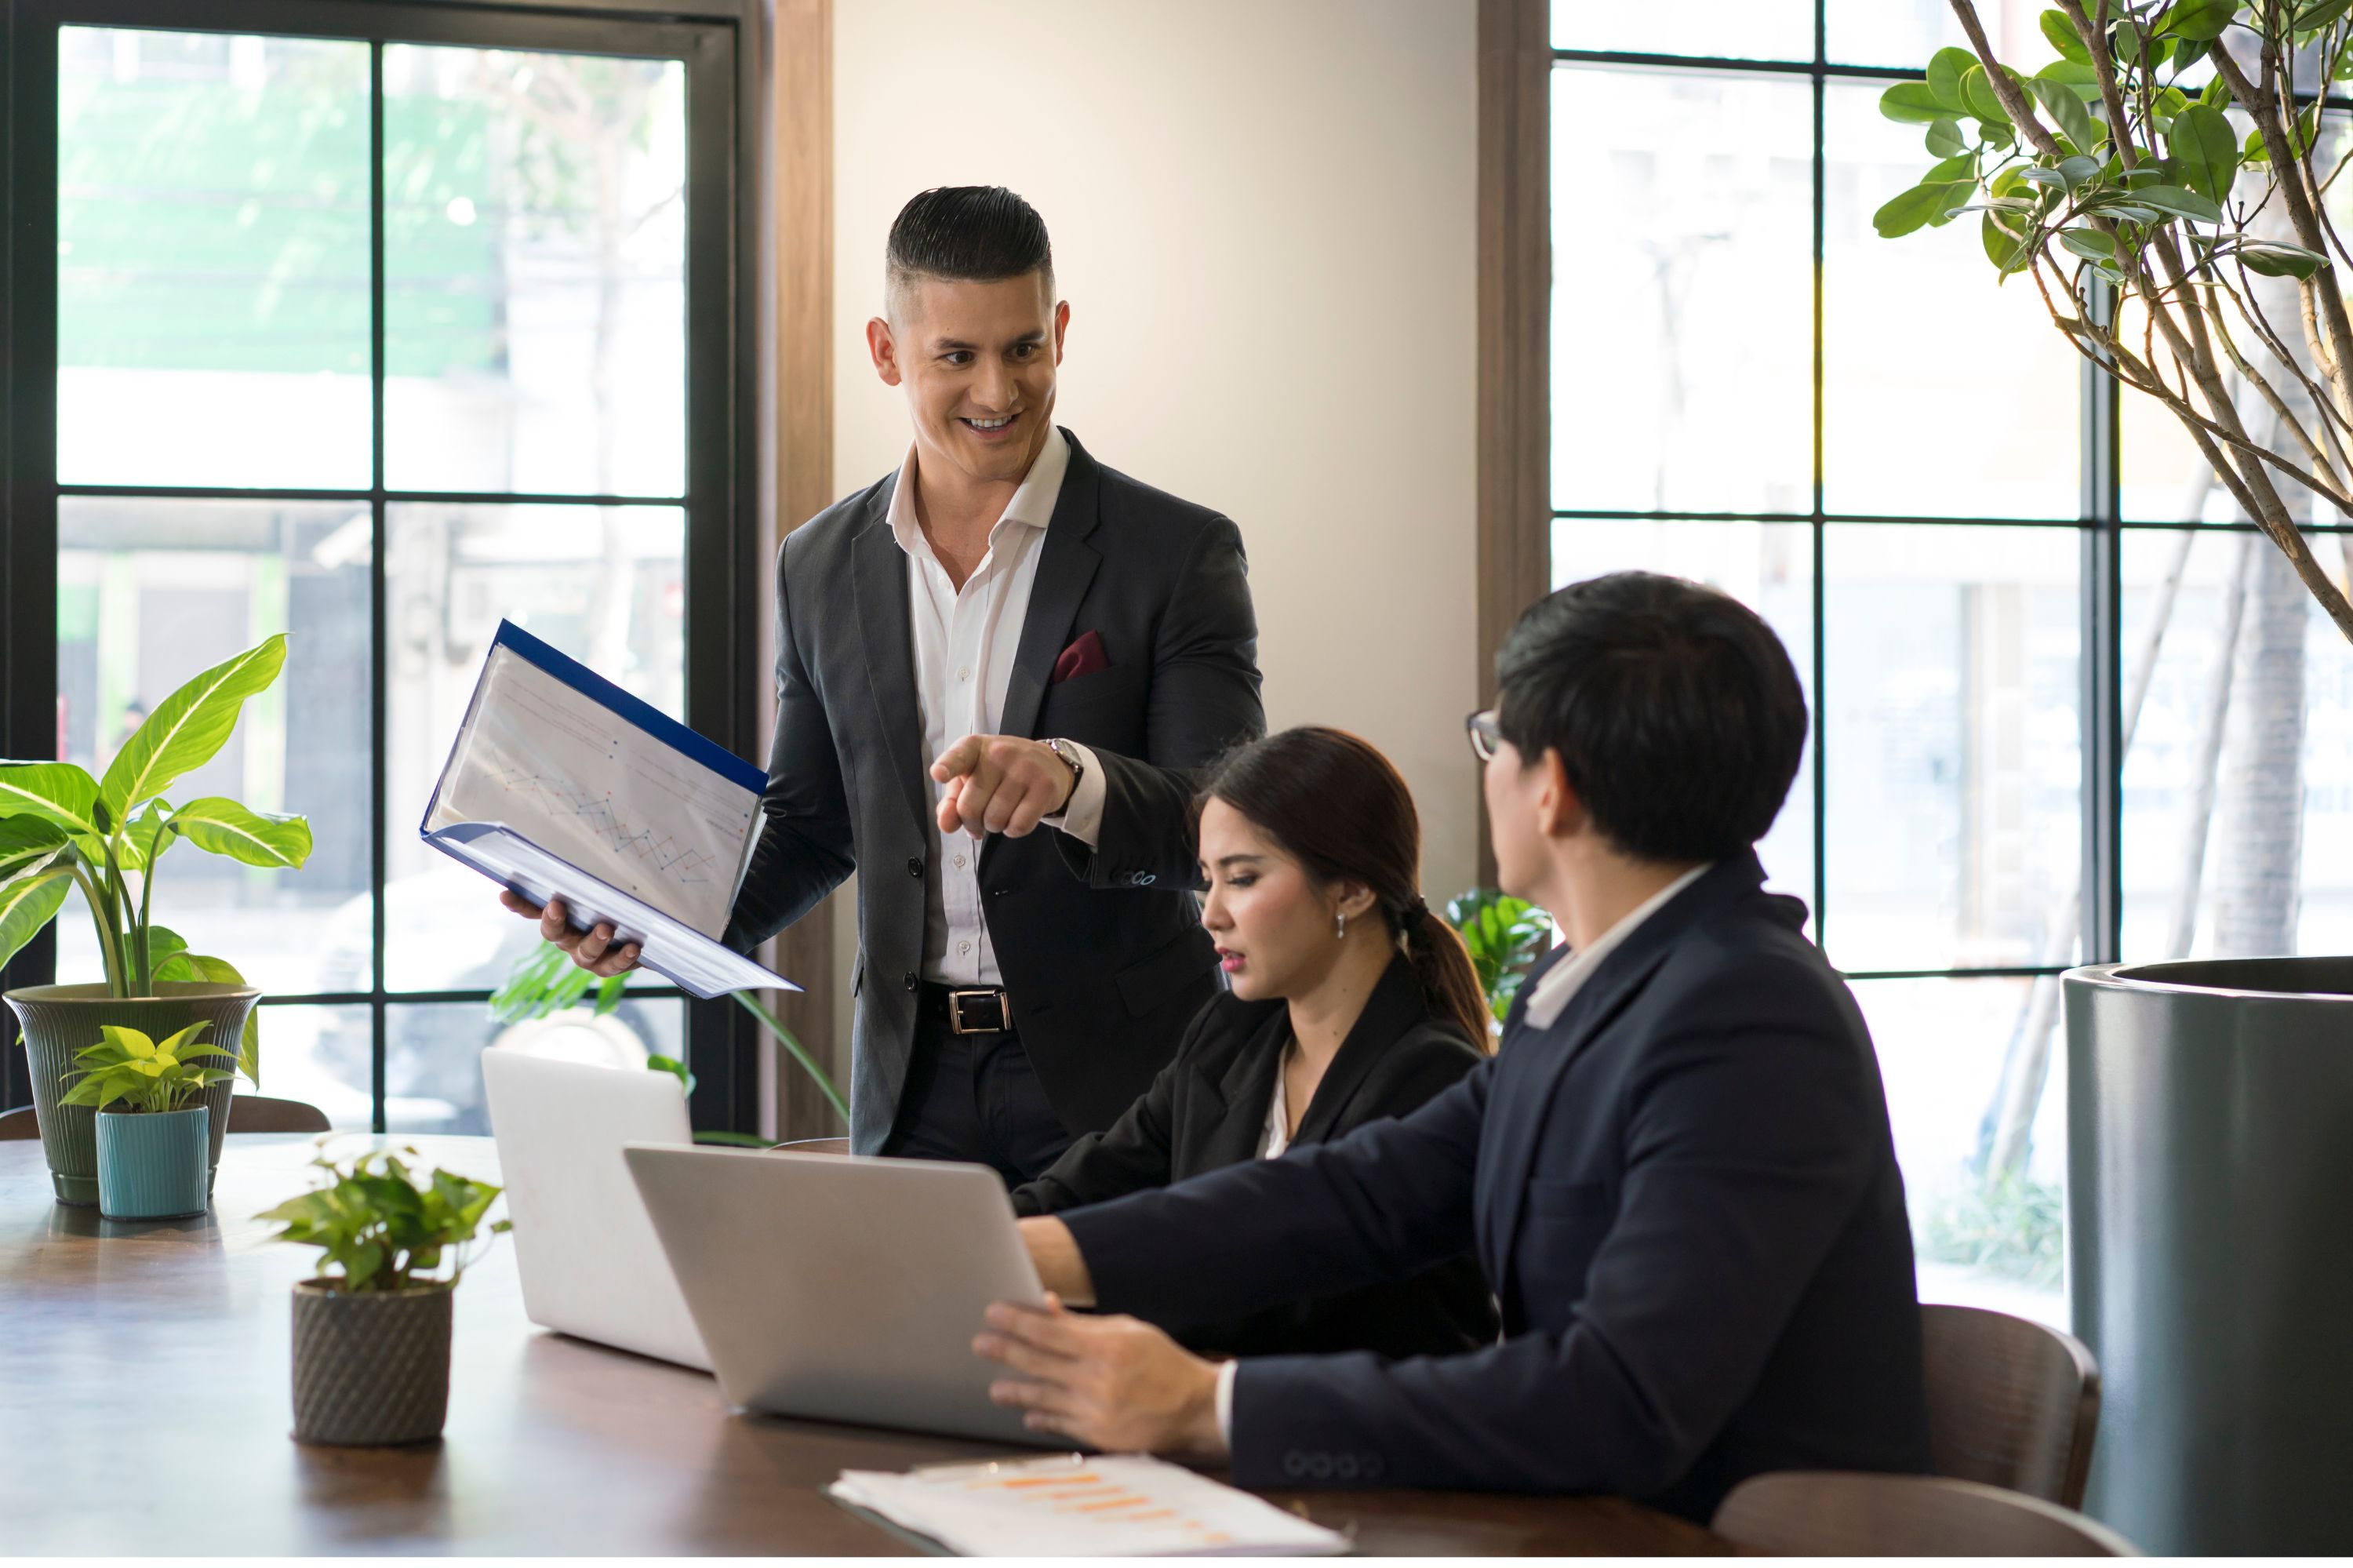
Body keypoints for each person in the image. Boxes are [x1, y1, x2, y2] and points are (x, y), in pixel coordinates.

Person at [972, 571, 1932, 1522]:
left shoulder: (1749, 1016)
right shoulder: (1595, 981)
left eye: (1493, 738)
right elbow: (1362, 1190)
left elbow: (1621, 1399)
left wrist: (1206, 1404)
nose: (1486, 769)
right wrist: (1038, 1250)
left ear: (1550, 786)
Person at [507, 186, 1263, 1179]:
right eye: (957, 355)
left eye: (1024, 348)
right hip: (911, 1088)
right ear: (885, 351)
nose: (998, 391)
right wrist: (649, 917)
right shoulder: (818, 563)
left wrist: (1073, 784)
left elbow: (1225, 828)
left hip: (1120, 1085)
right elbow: (814, 825)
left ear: (1061, 332)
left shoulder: (1178, 552)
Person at [1009, 726, 1497, 1360]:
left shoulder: (1432, 1073)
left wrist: (1070, 1280)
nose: (1210, 912)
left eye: (1240, 879)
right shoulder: (1228, 1035)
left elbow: (1274, 1291)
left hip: (1342, 1442)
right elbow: (1086, 1185)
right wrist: (965, 1241)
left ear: (1351, 888)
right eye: (1208, 879)